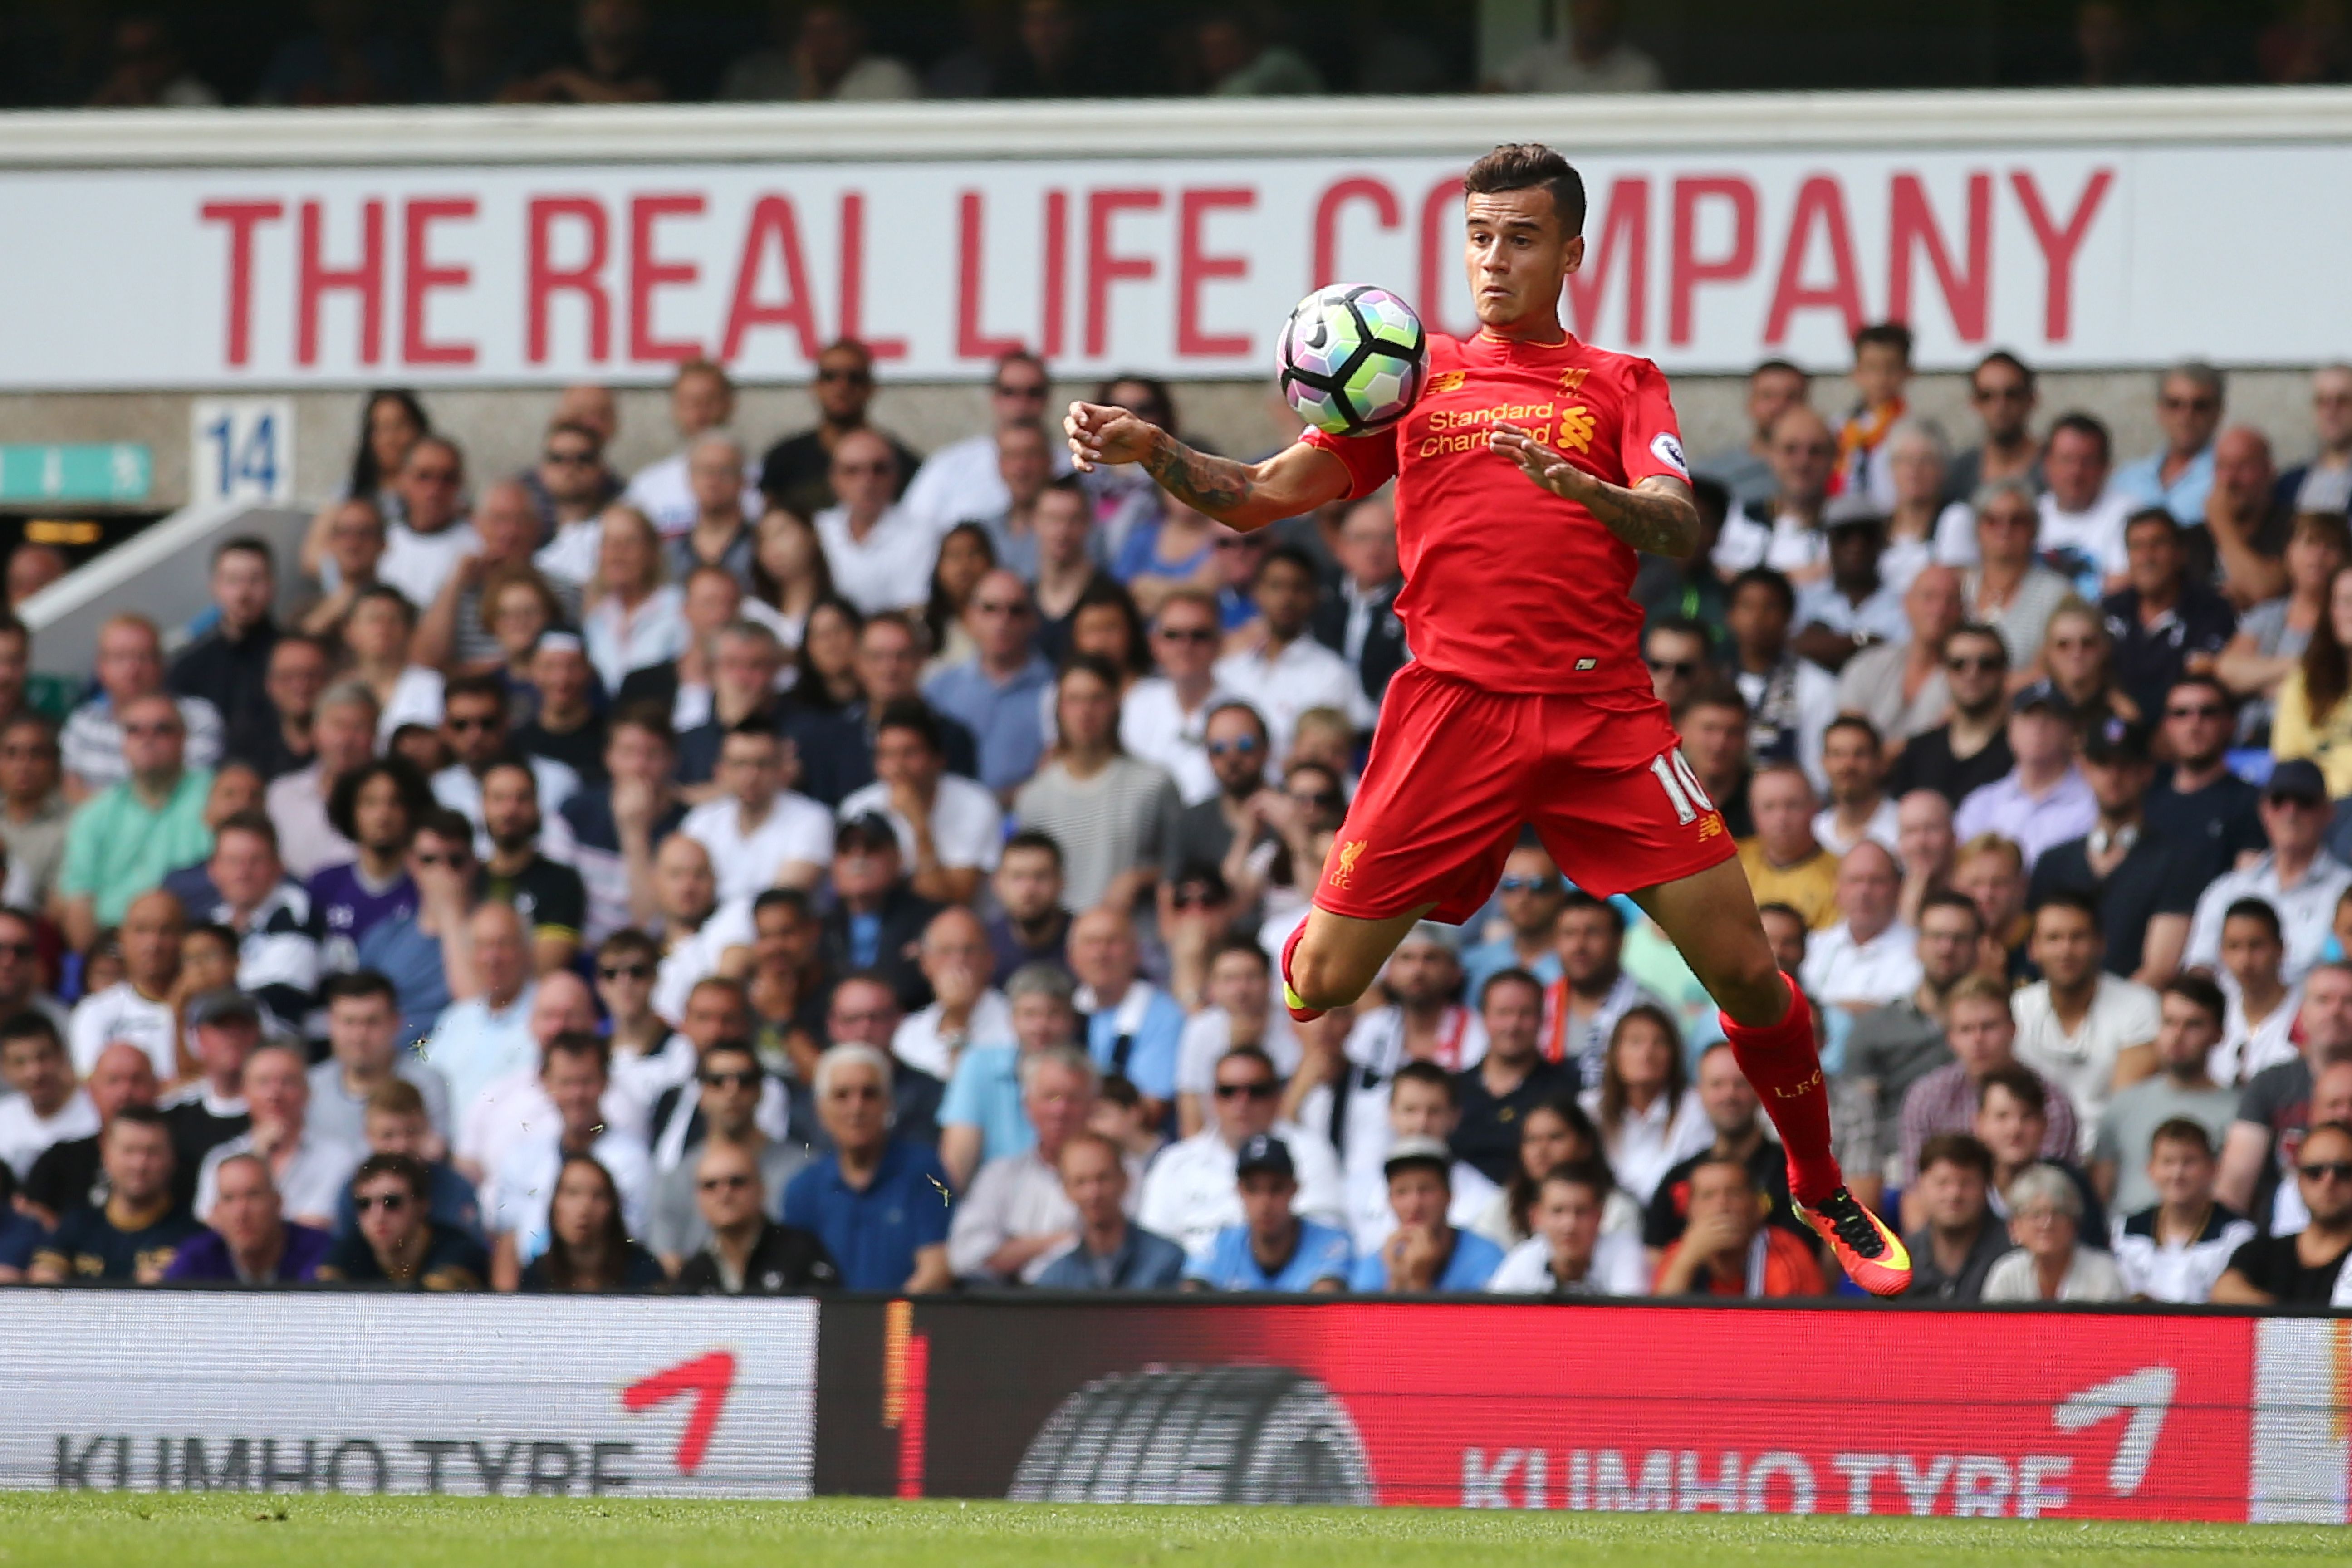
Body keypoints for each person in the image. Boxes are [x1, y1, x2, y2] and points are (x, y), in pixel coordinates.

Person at [1072, 146, 1909, 1293]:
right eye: (1476, 235)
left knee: (1749, 978)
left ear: (1569, 251)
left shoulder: (1619, 379)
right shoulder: (1412, 375)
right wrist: (1153, 450)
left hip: (1600, 714)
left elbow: (1675, 525)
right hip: (1450, 715)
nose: (1491, 259)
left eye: (1517, 237)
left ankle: (1816, 1182)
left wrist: (1589, 493)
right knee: (1318, 980)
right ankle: (1339, 902)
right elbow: (1262, 492)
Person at [2028, 720, 2196, 985]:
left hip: (2133, 1017)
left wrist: (2108, 1020)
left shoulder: (2175, 861)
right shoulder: (2054, 862)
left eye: (2125, 766)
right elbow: (2036, 953)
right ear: (2085, 770)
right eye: (2102, 764)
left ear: (2147, 772)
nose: (2113, 777)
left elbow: (2159, 969)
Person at [482, 1031, 651, 1289]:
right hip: (535, 1289)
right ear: (545, 1082)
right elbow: (508, 1243)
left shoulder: (633, 1160)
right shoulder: (521, 1156)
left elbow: (630, 1244)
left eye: (586, 1082)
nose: (576, 1095)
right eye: (566, 1082)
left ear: (605, 1082)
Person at [1142, 1043, 1345, 1257]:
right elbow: (1154, 1252)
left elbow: (1326, 1243)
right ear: (1213, 1099)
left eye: (1256, 1091)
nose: (1242, 1103)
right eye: (1228, 1092)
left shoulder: (1310, 1153)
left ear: (1277, 1096)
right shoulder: (1175, 1163)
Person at [781, 1043, 952, 1291]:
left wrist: (886, 1323)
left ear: (889, 1104)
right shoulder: (803, 1189)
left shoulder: (925, 1172)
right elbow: (797, 1279)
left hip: (904, 1326)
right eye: (842, 1095)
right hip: (831, 1327)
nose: (857, 1107)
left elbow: (936, 1268)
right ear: (821, 1110)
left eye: (869, 1094)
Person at [54, 694, 214, 951]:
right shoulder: (93, 814)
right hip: (112, 947)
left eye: (162, 729)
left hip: (191, 944)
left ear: (184, 738)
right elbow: (78, 900)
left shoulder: (215, 798)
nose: (148, 739)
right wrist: (98, 962)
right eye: (134, 730)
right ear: (123, 741)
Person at [1898, 975, 2083, 1195]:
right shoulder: (1926, 1097)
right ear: (1951, 1039)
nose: (1978, 1039)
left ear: (2013, 1030)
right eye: (1966, 1030)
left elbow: (2052, 1191)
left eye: (1989, 1027)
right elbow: (1914, 1192)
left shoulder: (2050, 1102)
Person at [2008, 891, 2160, 1142]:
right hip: (2033, 1150)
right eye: (2053, 938)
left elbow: (2125, 1110)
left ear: (2100, 944)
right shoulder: (2016, 1009)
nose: (2065, 950)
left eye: (2077, 937)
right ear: (2033, 949)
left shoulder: (2139, 1005)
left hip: (2111, 1149)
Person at [2185, 759, 2352, 984]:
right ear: (2263, 811)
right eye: (2279, 801)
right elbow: (2200, 970)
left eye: (2304, 802)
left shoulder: (2347, 891)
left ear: (2328, 812)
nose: (2290, 812)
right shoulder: (2227, 890)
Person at [944, 1044, 1098, 1285]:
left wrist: (1014, 1249)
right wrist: (1064, 1241)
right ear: (1028, 1105)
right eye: (1051, 1097)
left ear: (1093, 1107)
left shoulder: (1121, 1173)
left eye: (1074, 1099)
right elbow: (965, 1255)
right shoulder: (999, 1175)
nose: (1061, 1110)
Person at [1641, 1039, 1805, 1261]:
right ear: (1699, 1092)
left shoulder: (1796, 1174)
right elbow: (1655, 1268)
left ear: (1762, 1090)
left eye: (1741, 1084)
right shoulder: (1676, 1178)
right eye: (1717, 1084)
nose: (1730, 1095)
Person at [1209, 547, 1373, 762]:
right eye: (1276, 586)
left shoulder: (1332, 673)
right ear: (1257, 593)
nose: (1287, 598)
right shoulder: (1230, 670)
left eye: (1298, 587)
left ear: (1315, 595)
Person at [838, 702, 1004, 907]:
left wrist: (919, 826)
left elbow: (952, 905)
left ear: (938, 758)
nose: (897, 767)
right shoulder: (858, 806)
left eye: (910, 753)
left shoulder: (976, 803)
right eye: (887, 755)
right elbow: (857, 898)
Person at [192, 1042, 362, 1230]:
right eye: (263, 1082)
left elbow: (318, 1226)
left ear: (307, 1092)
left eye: (287, 1082)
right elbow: (209, 1228)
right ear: (245, 1092)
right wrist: (256, 1158)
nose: (275, 1094)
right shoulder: (220, 1159)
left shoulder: (338, 1158)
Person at [61, 615, 226, 804]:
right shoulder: (82, 724)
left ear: (163, 664)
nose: (132, 670)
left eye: (142, 657)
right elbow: (74, 794)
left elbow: (193, 792)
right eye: (120, 658)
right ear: (100, 667)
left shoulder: (199, 717)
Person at [26, 1105, 198, 1283]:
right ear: (106, 1154)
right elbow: (43, 1281)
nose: (140, 1165)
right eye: (129, 1151)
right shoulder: (77, 1226)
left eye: (152, 1152)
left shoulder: (194, 1238)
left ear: (172, 1157)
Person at [2220, 511, 2350, 746]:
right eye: (2309, 543)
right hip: (2250, 739)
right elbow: (2229, 671)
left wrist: (2261, 682)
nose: (2319, 554)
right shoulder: (2267, 615)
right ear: (2288, 554)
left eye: (2330, 546)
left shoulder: (2346, 621)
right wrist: (2304, 667)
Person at [923, 571, 1056, 799]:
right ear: (969, 618)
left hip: (1030, 821)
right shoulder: (938, 690)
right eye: (990, 609)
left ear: (1033, 620)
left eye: (1016, 610)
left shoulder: (1057, 689)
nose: (1002, 621)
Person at [2110, 1118, 2257, 1304]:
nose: (2177, 1173)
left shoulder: (2237, 1235)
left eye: (2189, 1162)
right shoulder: (2125, 1230)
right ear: (2151, 1170)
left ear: (2213, 1169)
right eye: (2168, 1162)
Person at [1180, 1133, 1352, 1292]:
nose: (1265, 1203)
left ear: (1294, 1189)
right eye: (1253, 1189)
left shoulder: (1329, 1243)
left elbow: (1323, 1312)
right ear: (1239, 1191)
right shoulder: (1222, 1244)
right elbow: (1190, 1299)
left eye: (1276, 1189)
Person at [1952, 683, 2096, 870]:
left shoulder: (2092, 803)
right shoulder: (1981, 802)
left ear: (2072, 731)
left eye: (2051, 718)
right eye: (2028, 717)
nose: (2039, 727)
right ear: (2010, 728)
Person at [672, 1139, 840, 1295]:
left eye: (737, 1182)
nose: (724, 1194)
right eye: (711, 1186)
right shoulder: (693, 1273)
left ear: (761, 1189)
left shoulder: (801, 1253)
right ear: (698, 1198)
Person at [1579, 1004, 1709, 1207]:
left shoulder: (1696, 1107)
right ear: (1615, 1053)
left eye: (1659, 1042)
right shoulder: (1588, 1111)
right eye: (1635, 1042)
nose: (1647, 1053)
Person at [2213, 1119, 2352, 1305]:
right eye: (2315, 1172)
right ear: (2298, 1179)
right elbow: (2223, 1292)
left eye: (2343, 1171)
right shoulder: (2260, 1250)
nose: (2328, 1182)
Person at [308, 970, 453, 1148]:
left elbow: (434, 1153)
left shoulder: (426, 1085)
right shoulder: (310, 1087)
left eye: (372, 1022)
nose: (359, 1036)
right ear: (330, 1025)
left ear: (396, 1023)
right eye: (349, 1022)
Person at [1651, 1152, 1826, 1298]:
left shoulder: (1787, 1252)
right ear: (1688, 1210)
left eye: (1734, 1193)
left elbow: (1796, 1329)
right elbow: (1659, 1327)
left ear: (1758, 1206)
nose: (1722, 1205)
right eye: (1708, 1195)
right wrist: (1686, 1262)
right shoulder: (1679, 1254)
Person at [1031, 1129, 1188, 1290]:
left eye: (1103, 1178)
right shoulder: (1056, 1279)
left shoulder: (1167, 1259)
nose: (1093, 1193)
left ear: (1125, 1180)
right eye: (1081, 1182)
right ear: (1066, 1190)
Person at [1348, 1135, 1506, 1292]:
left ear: (1450, 1195)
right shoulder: (1377, 1261)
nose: (1414, 1204)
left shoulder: (1485, 1255)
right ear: (1390, 1201)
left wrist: (1420, 1282)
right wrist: (1396, 1280)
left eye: (1426, 1190)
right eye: (1402, 1192)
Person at [1885, 622, 2015, 807]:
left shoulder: (2023, 751)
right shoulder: (1918, 750)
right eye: (1959, 664)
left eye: (1987, 664)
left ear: (2004, 671)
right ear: (1944, 671)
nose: (1972, 674)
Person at [316, 1152, 489, 1290]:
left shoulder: (458, 1251)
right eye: (364, 1204)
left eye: (391, 1202)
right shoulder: (346, 1254)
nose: (378, 1216)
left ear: (422, 1205)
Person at [619, 361, 754, 534]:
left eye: (710, 400)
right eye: (691, 402)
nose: (701, 410)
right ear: (675, 408)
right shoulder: (649, 486)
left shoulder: (760, 481)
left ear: (730, 404)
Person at [65, 888, 183, 1079]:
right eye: (141, 930)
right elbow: (97, 1087)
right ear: (123, 938)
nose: (154, 943)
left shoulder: (207, 1007)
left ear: (184, 938)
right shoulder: (95, 1011)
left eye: (166, 931)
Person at [161, 1152, 331, 1284]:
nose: (241, 1212)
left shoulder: (320, 1251)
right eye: (229, 1199)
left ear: (277, 1203)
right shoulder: (197, 1257)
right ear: (216, 1212)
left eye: (253, 1196)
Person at [1485, 1162, 1649, 1294]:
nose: (1569, 1225)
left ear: (1600, 1216)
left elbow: (1632, 1323)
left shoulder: (1624, 1251)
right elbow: (1491, 1318)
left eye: (1581, 1212)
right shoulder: (1524, 1257)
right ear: (1536, 1217)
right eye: (1558, 1211)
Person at [1799, 842, 1921, 1014]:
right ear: (1837, 888)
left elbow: (1898, 1016)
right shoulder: (1813, 945)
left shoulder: (1918, 951)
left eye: (1877, 881)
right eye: (1854, 881)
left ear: (1898, 888)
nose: (1864, 892)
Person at [514, 1154, 664, 1293]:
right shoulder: (536, 1277)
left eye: (597, 1195)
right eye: (573, 1193)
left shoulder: (644, 1271)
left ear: (613, 1206)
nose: (584, 1208)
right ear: (554, 1204)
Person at [1979, 1161, 2127, 1302]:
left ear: (2074, 1223)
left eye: (2057, 1214)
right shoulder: (2006, 1275)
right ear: (2015, 1227)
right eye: (2036, 1215)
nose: (2047, 1224)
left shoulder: (2103, 1273)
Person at [1311, 495, 1408, 707]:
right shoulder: (1318, 594)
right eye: (1363, 538)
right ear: (1342, 547)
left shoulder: (1411, 602)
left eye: (1386, 539)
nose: (1375, 550)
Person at [2112, 362, 2224, 526]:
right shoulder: (2127, 479)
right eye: (2174, 404)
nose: (2186, 416)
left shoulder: (2226, 480)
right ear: (2160, 410)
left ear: (2218, 412)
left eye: (2200, 406)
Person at [1902, 1132, 2008, 1302]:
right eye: (1942, 1183)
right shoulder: (1900, 1260)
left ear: (1987, 1187)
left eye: (1967, 1183)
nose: (1954, 1195)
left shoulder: (2012, 1254)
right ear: (1921, 1185)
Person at [1692, 359, 1809, 510]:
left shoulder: (1828, 471)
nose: (1779, 406)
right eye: (1768, 396)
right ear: (1750, 404)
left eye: (1791, 397)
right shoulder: (1709, 476)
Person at [1735, 765, 1841, 932]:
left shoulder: (1839, 878)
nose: (1781, 818)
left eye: (1792, 806)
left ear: (1815, 808)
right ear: (1752, 812)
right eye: (1769, 807)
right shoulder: (1732, 863)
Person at [0, 1012, 95, 1182]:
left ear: (62, 1055)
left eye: (43, 1057)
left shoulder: (96, 1111)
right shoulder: (3, 1117)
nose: (35, 1072)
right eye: (20, 1062)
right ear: (5, 1068)